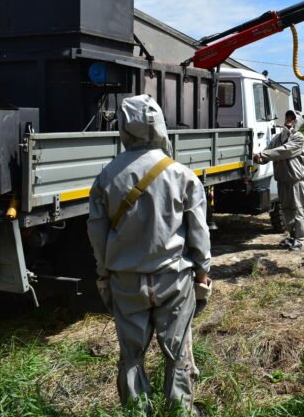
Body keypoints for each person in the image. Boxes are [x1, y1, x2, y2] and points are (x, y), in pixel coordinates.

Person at [87, 94, 211, 415]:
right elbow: (199, 233)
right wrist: (202, 272)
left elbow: (97, 234)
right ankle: (180, 412)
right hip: (175, 279)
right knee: (178, 356)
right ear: (160, 126)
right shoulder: (182, 175)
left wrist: (104, 275)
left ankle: (137, 411)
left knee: (131, 357)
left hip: (126, 281)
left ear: (124, 128)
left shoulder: (105, 177)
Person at [253, 109, 304, 251]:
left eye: (292, 117)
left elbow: (284, 151)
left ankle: (300, 239)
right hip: (282, 180)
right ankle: (292, 236)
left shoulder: (298, 137)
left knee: (297, 209)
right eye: (287, 116)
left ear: (297, 121)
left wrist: (262, 154)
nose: (289, 119)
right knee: (286, 210)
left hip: (295, 180)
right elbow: (268, 153)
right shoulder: (277, 138)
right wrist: (258, 158)